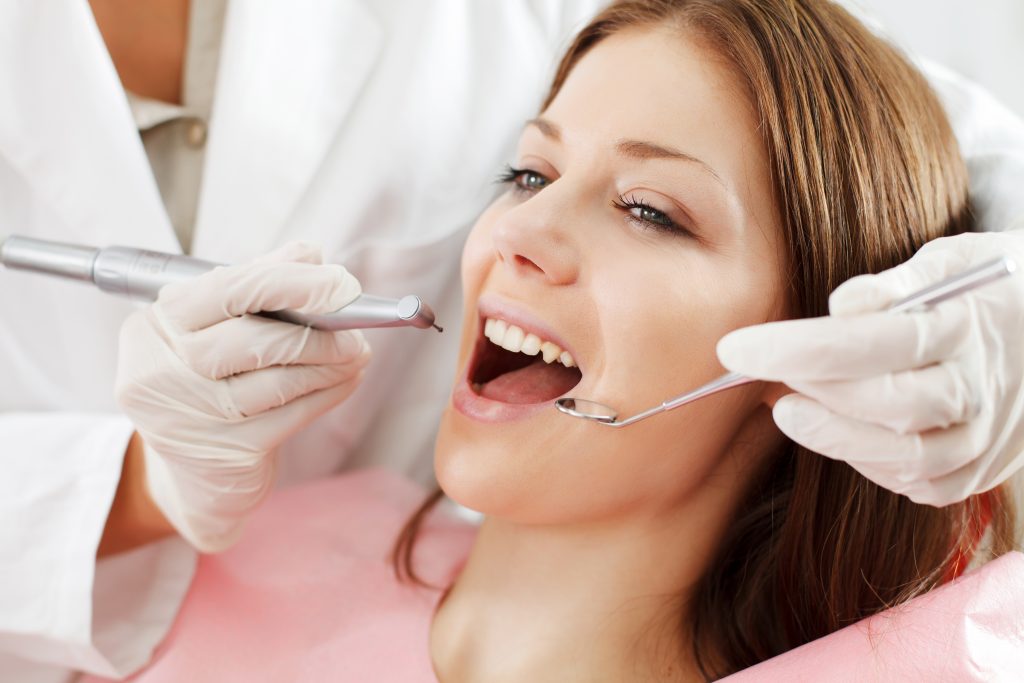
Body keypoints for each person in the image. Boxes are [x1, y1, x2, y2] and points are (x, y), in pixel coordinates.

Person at [2, 0, 1023, 680]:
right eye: (527, 174)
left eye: (648, 209)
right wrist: (138, 483)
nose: (514, 234)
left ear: (821, 338)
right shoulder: (245, 585)